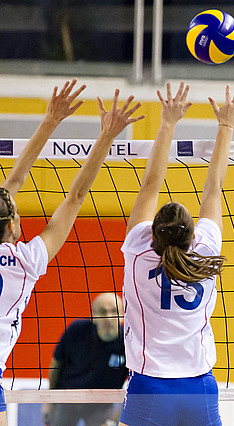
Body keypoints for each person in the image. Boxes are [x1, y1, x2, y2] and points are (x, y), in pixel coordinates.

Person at [0, 79, 144, 426]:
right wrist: (104, 136)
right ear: (14, 225)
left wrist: (49, 122)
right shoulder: (24, 262)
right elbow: (75, 197)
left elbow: (10, 187)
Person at [118, 82, 234, 426]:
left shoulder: (139, 250)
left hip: (149, 385)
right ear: (192, 234)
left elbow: (150, 185)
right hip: (199, 387)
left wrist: (167, 123)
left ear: (152, 234)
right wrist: (226, 125)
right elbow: (214, 188)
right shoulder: (205, 251)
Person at [42, 292, 127, 426]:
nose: (109, 317)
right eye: (103, 312)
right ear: (94, 316)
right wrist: (49, 401)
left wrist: (114, 421)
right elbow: (56, 364)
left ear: (122, 314)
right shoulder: (77, 330)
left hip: (102, 404)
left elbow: (135, 387)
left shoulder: (128, 342)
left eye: (114, 311)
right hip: (69, 397)